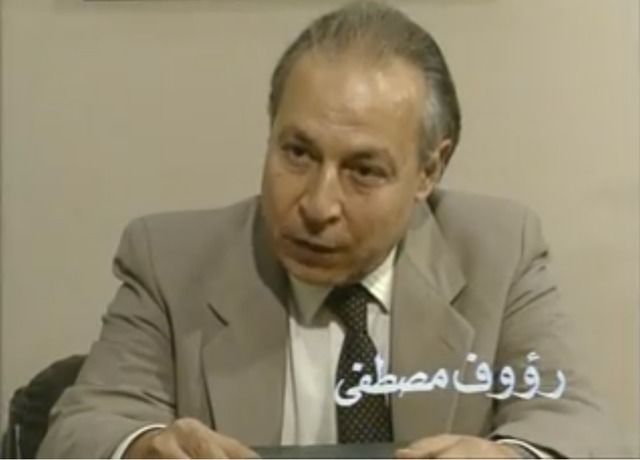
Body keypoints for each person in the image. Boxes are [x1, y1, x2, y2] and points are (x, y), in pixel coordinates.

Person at [38, 1, 626, 458]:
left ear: (429, 170)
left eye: (363, 170)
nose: (318, 206)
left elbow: (580, 425)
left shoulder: (498, 250)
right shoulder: (170, 261)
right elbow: (80, 429)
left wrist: (511, 456)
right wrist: (142, 446)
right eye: (297, 153)